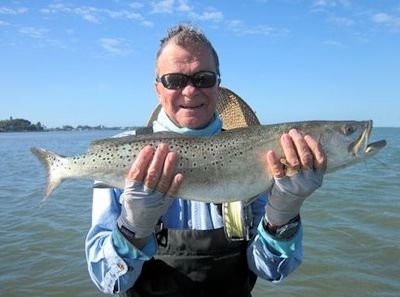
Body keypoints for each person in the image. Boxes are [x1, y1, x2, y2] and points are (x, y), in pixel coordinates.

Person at [85, 24, 326, 297]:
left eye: (203, 78)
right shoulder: (123, 153)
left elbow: (270, 270)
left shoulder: (257, 153)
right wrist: (132, 228)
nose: (190, 91)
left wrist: (283, 215)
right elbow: (109, 282)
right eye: (175, 80)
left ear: (218, 84)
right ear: (157, 89)